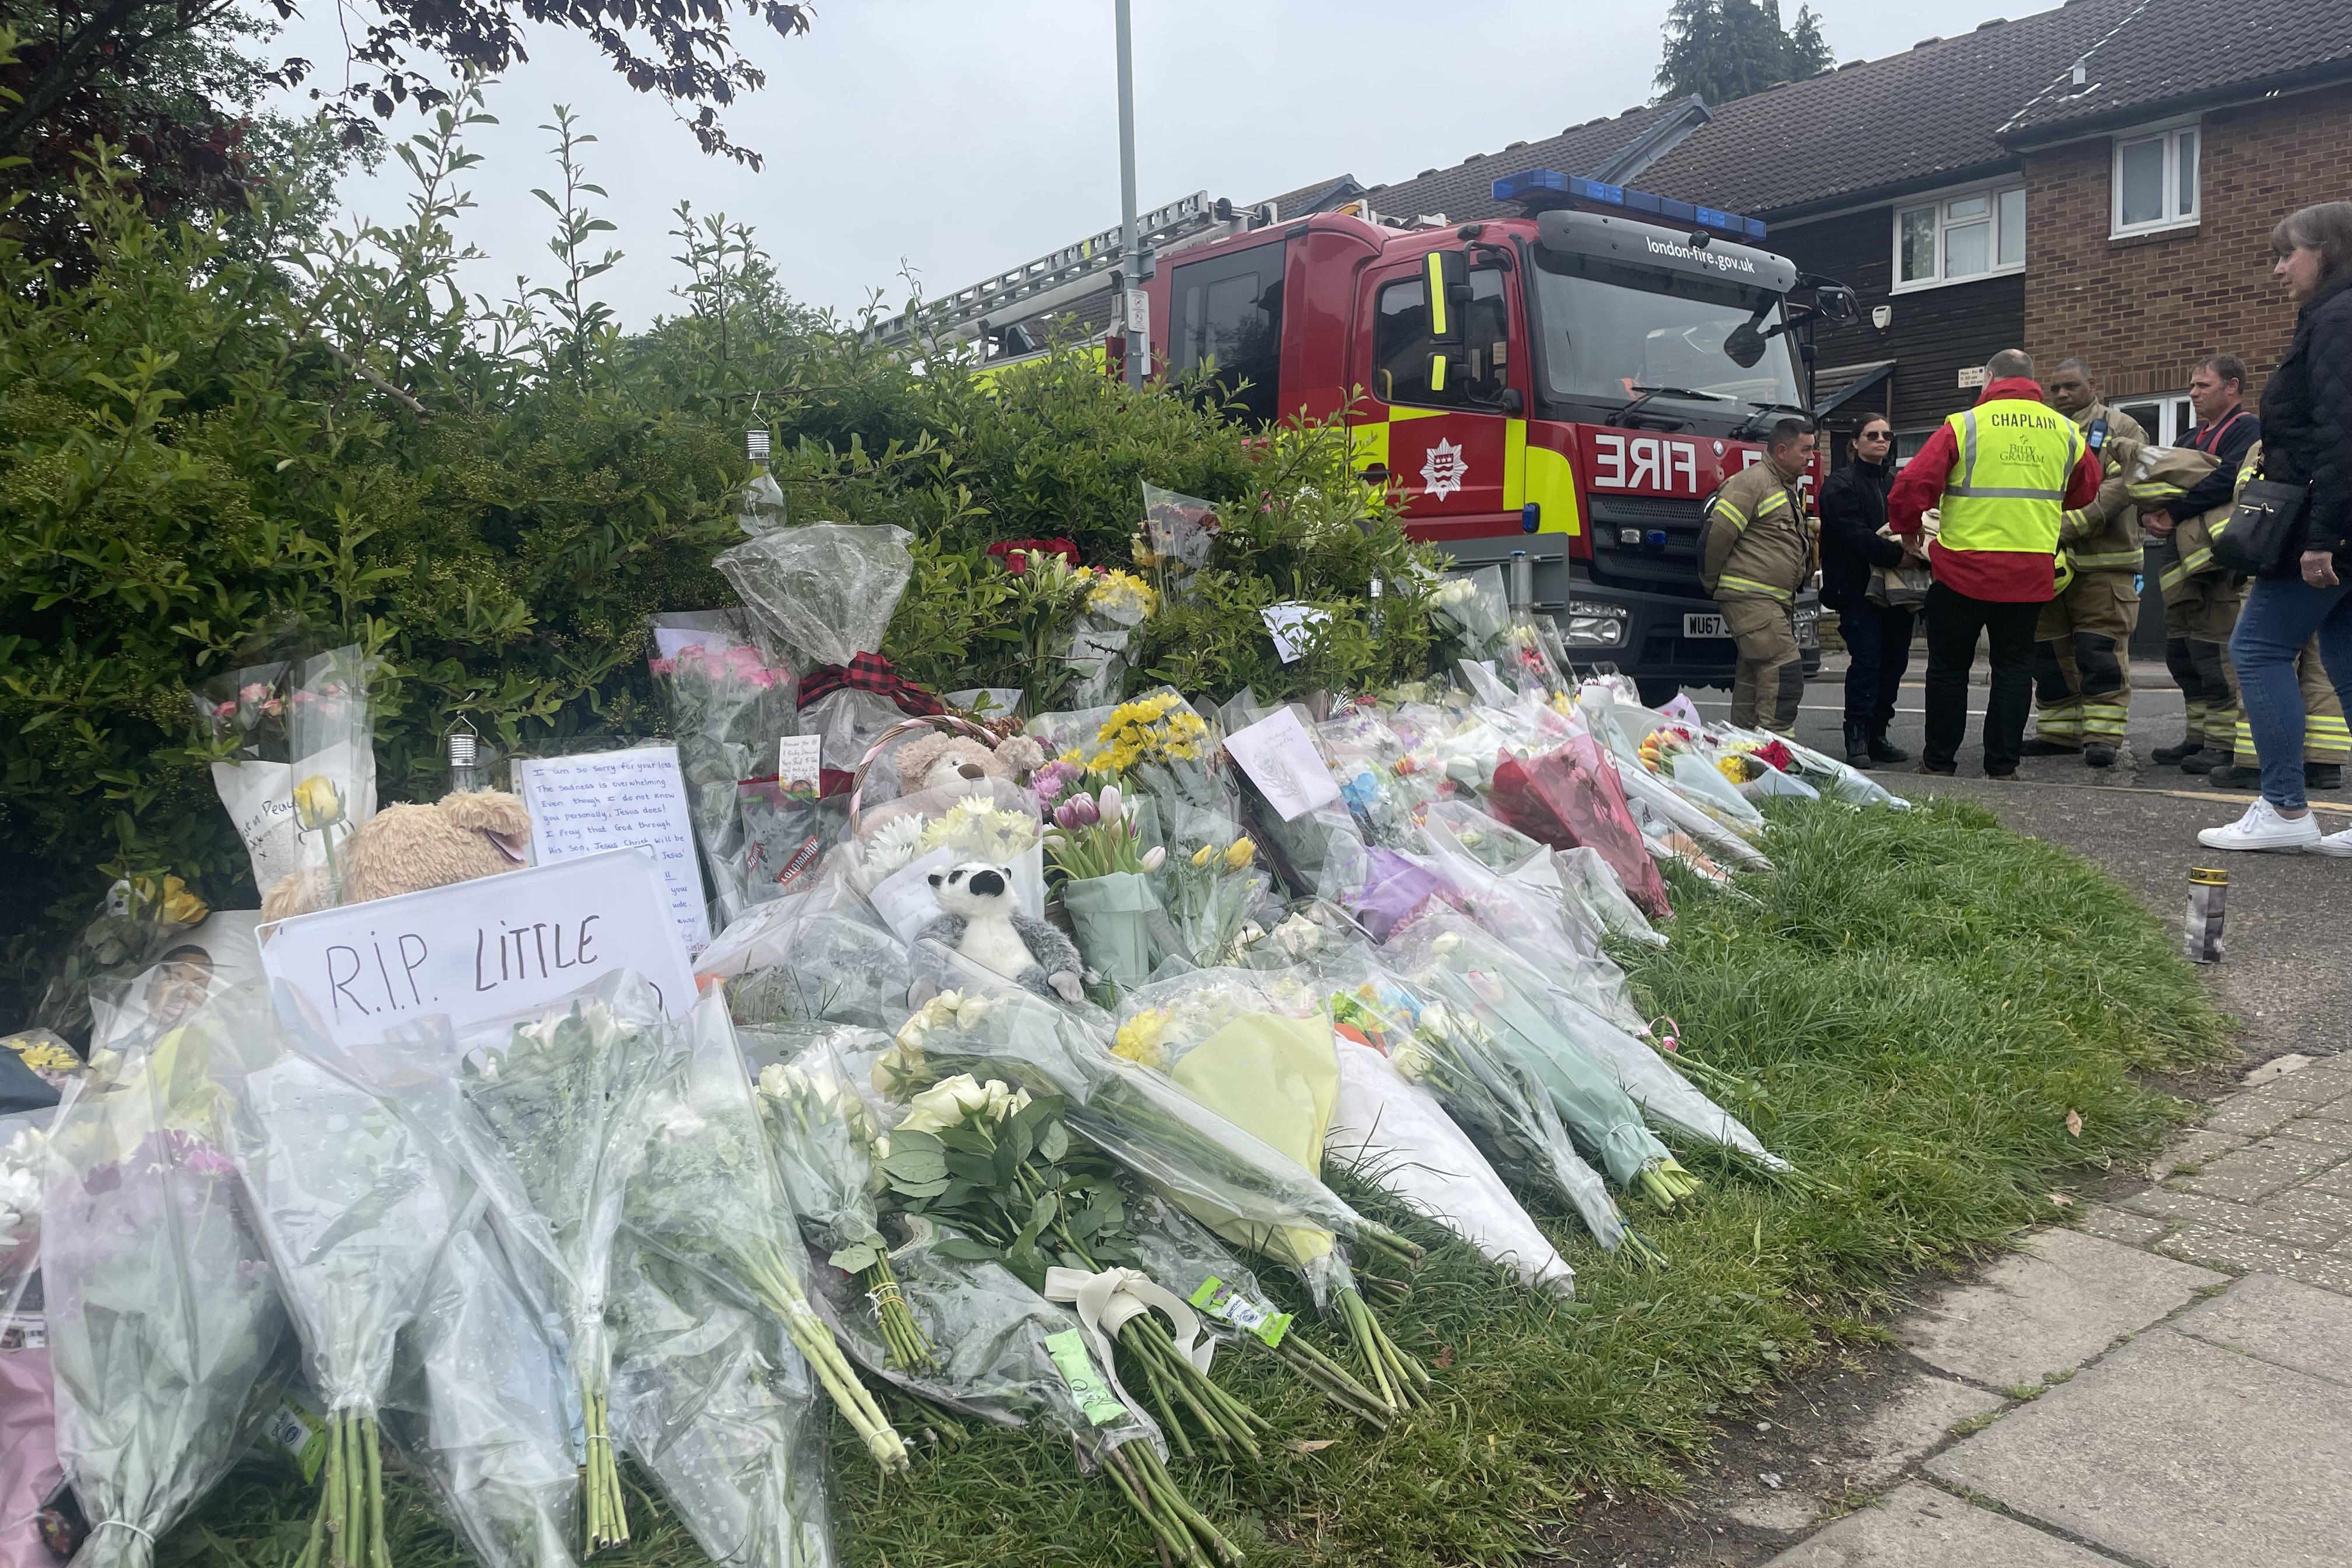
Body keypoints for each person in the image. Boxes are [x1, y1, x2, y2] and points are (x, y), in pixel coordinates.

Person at [2199, 202, 2352, 855]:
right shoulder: (2335, 315)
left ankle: (2286, 808)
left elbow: (2341, 439)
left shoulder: (2339, 318)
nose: (2278, 268)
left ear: (2329, 251)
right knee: (2348, 667)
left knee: (2257, 650)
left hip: (2326, 528)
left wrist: (2324, 537)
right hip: (2341, 523)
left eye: (2289, 253)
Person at [1889, 349, 2104, 779]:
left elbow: (1912, 484)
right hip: (2029, 574)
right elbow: (2086, 491)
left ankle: (1939, 763)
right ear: (2033, 382)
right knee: (2014, 670)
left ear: (1989, 378)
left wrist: (1908, 527)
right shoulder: (2065, 430)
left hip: (1962, 571)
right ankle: (2003, 768)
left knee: (1949, 670)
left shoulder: (1965, 425)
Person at [2023, 359, 2148, 768]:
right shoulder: (2042, 429)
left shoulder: (2121, 427)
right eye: (2055, 389)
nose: (2061, 396)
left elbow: (2124, 483)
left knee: (2100, 651)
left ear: (2093, 384)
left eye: (2071, 387)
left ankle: (2103, 737)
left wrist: (2072, 523)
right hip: (2047, 563)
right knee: (2048, 652)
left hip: (2103, 563)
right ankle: (2059, 733)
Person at [2150, 355, 2260, 775]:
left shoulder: (2247, 432)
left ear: (2232, 387)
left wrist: (2173, 512)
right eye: (2192, 386)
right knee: (2184, 655)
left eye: (2203, 386)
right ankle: (2196, 737)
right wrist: (2152, 511)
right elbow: (2161, 480)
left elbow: (2226, 479)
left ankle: (2222, 744)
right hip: (2182, 569)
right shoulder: (2189, 438)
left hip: (2219, 568)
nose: (2193, 393)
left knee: (2215, 658)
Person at [1700, 417, 1816, 734]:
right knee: (1784, 670)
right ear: (1781, 450)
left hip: (1773, 600)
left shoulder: (1784, 486)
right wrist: (1712, 583)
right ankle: (1777, 749)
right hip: (1753, 598)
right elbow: (1717, 535)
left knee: (1754, 677)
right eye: (1805, 450)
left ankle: (1744, 753)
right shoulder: (1753, 482)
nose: (1811, 457)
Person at [1817, 416, 1915, 767]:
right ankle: (1856, 736)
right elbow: (1855, 535)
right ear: (1855, 442)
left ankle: (1878, 734)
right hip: (1858, 591)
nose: (1881, 440)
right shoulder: (1839, 485)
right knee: (1868, 661)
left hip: (1898, 594)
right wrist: (1898, 557)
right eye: (1871, 435)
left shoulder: (1895, 484)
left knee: (1894, 663)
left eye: (1886, 435)